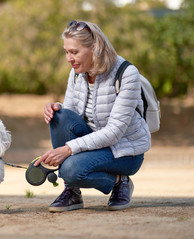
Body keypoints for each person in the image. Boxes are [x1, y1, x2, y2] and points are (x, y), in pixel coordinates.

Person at [34, 20, 151, 212]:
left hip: (124, 150)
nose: (68, 58)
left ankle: (121, 181)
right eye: (66, 52)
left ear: (95, 48)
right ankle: (73, 192)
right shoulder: (76, 73)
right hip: (93, 145)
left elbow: (113, 133)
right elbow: (71, 115)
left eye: (74, 52)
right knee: (60, 116)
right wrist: (56, 108)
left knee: (69, 170)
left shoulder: (127, 73)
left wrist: (68, 150)